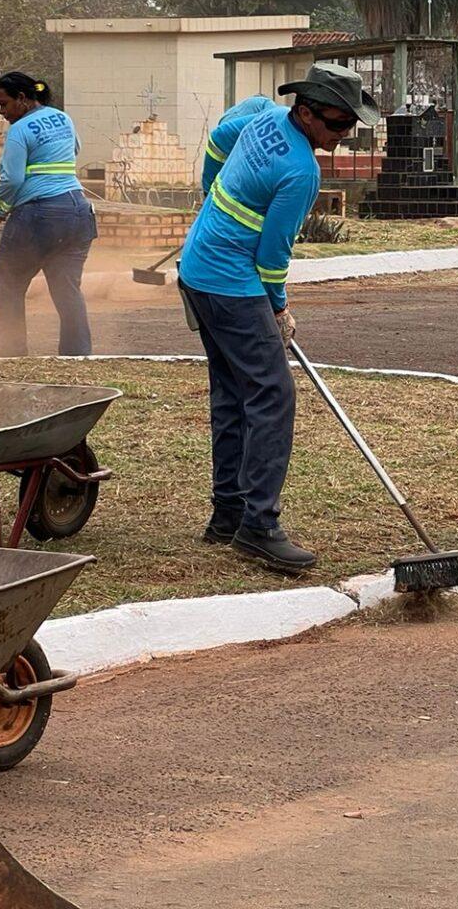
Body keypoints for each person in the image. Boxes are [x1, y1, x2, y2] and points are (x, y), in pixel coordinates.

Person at [178, 64, 380, 574]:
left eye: (350, 126)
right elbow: (272, 256)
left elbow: (221, 134)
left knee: (232, 390)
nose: (344, 135)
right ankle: (258, 525)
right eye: (337, 125)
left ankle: (227, 514)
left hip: (198, 269)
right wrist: (280, 305)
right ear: (307, 112)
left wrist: (211, 195)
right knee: (272, 394)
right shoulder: (301, 172)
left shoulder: (262, 114)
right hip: (232, 284)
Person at [0, 72, 98, 357]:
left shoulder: (19, 130)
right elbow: (75, 148)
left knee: (8, 282)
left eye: (5, 104)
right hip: (78, 212)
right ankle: (77, 356)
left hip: (39, 216)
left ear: (22, 99)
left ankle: (13, 355)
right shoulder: (62, 117)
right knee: (67, 289)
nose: (2, 112)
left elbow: (11, 180)